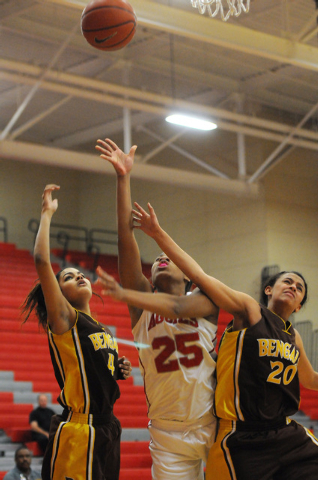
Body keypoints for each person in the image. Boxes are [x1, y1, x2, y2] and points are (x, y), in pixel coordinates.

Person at [112, 201, 318, 480]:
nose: (293, 287)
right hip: (237, 432)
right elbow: (194, 281)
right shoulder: (248, 309)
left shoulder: (294, 337)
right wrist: (157, 233)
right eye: (288, 281)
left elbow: (310, 379)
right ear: (268, 288)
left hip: (279, 429)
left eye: (299, 287)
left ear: (301, 305)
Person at [95, 138, 219, 480]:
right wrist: (123, 178)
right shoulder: (142, 308)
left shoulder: (206, 302)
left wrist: (125, 295)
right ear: (148, 282)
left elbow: (179, 307)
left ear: (189, 276)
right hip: (166, 432)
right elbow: (125, 236)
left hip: (214, 422)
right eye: (157, 261)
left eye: (169, 258)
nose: (161, 259)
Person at [21, 184, 132, 480]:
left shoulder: (101, 328)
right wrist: (46, 214)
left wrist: (120, 367)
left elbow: (99, 371)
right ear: (58, 293)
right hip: (80, 429)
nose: (79, 275)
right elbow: (42, 261)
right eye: (69, 277)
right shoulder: (65, 319)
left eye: (80, 273)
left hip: (108, 426)